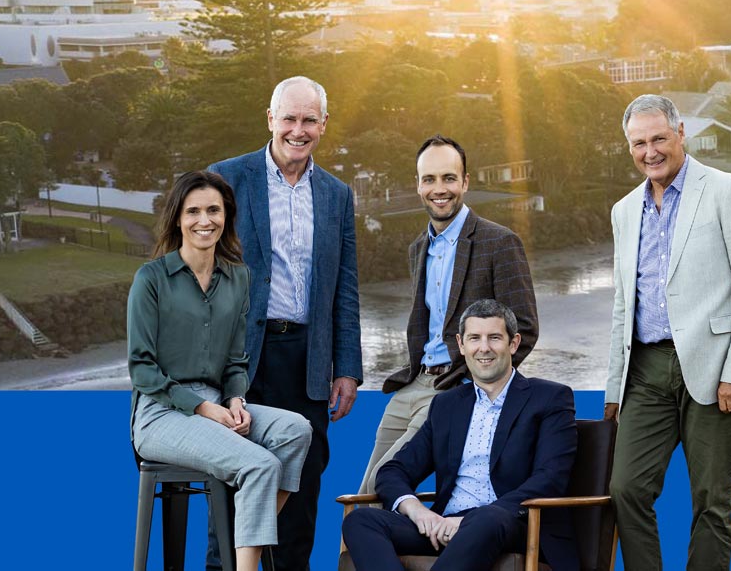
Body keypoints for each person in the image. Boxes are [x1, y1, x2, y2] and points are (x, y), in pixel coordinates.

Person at [605, 94, 731, 571]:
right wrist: (615, 388)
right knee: (625, 489)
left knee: (710, 502)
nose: (650, 151)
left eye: (659, 138)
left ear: (681, 134)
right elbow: (623, 303)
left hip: (714, 367)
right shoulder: (623, 212)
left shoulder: (727, 190)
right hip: (645, 371)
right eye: (639, 143)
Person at [209, 75, 362, 570]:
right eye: (290, 119)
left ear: (323, 125)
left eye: (309, 120)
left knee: (303, 488)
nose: (299, 130)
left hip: (309, 362)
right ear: (270, 119)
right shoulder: (228, 179)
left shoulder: (337, 195)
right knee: (236, 485)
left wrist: (348, 369)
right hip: (243, 360)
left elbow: (345, 287)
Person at [129, 170, 312, 571]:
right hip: (161, 414)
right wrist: (203, 408)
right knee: (260, 464)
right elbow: (141, 368)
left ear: (226, 216)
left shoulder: (238, 278)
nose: (204, 220)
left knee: (296, 430)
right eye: (193, 211)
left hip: (218, 403)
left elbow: (235, 360)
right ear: (178, 218)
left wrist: (235, 399)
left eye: (213, 210)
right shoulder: (151, 279)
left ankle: (241, 547)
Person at [357, 135, 539, 497]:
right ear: (418, 185)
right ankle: (358, 554)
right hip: (415, 383)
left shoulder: (499, 243)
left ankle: (369, 551)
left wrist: (474, 385)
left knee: (382, 486)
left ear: (466, 182)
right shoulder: (417, 249)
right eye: (429, 179)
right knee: (363, 493)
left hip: (455, 387)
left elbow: (526, 329)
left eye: (449, 178)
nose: (439, 189)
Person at [342, 300, 577, 571]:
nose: (484, 348)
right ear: (461, 345)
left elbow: (550, 478)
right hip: (444, 526)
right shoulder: (447, 405)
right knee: (360, 521)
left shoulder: (549, 398)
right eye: (474, 338)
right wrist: (417, 511)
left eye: (495, 338)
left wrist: (468, 522)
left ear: (513, 344)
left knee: (486, 518)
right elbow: (394, 470)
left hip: (512, 524)